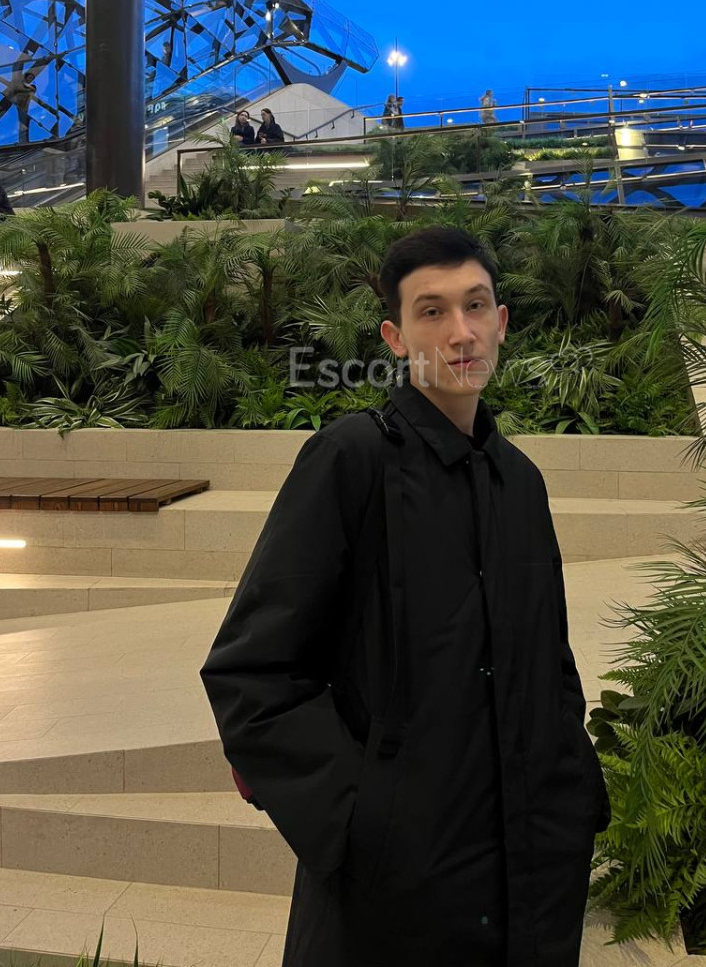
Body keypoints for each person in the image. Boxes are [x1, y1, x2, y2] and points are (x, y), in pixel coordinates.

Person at [200, 225, 610, 967]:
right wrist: (364, 823)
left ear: (501, 322)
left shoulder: (520, 482)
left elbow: (551, 662)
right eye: (431, 311)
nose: (460, 332)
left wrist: (570, 790)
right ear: (395, 338)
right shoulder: (350, 460)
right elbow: (255, 672)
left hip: (532, 877)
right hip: (393, 896)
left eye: (475, 306)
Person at [2, 68, 37, 144]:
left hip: (24, 108)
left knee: (23, 125)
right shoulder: (19, 86)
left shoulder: (32, 87)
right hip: (16, 107)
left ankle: (23, 141)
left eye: (32, 78)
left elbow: (31, 91)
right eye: (30, 77)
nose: (30, 79)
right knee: (16, 124)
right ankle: (19, 141)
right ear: (26, 78)